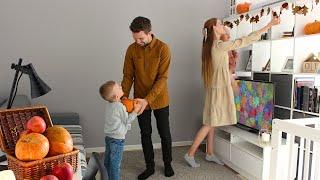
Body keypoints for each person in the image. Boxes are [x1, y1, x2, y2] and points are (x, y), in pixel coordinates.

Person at [184, 16, 280, 168]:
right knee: (210, 123)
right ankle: (189, 154)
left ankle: (209, 153)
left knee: (212, 122)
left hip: (214, 88)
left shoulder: (212, 45)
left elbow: (224, 67)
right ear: (214, 28)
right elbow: (244, 40)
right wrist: (268, 25)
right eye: (220, 24)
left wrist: (224, 33)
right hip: (218, 90)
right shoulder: (219, 45)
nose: (224, 26)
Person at [121, 16, 174, 179]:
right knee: (145, 134)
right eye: (135, 38)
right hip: (139, 101)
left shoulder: (163, 49)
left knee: (165, 134)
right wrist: (123, 97)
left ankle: (167, 164)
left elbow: (162, 79)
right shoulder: (131, 49)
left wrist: (148, 100)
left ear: (149, 33)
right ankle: (149, 167)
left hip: (160, 99)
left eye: (141, 38)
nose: (138, 41)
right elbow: (128, 76)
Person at [99, 81, 142, 180]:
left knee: (108, 160)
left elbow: (118, 116)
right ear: (116, 97)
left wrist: (123, 101)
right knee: (115, 164)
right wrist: (135, 110)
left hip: (109, 137)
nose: (120, 86)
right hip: (117, 139)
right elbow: (127, 120)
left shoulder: (110, 105)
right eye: (118, 87)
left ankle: (106, 177)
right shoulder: (120, 106)